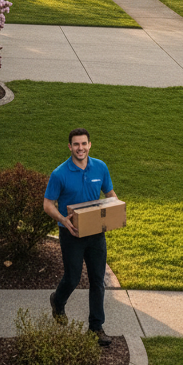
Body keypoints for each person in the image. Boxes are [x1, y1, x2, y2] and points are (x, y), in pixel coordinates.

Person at [43, 128, 116, 346]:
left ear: (90, 145)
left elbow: (110, 194)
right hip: (71, 233)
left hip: (96, 234)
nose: (80, 148)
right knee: (73, 278)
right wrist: (63, 220)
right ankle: (58, 300)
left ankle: (96, 327)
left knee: (97, 281)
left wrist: (113, 211)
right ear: (70, 147)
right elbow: (48, 204)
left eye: (84, 144)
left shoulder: (100, 167)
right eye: (76, 144)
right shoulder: (59, 174)